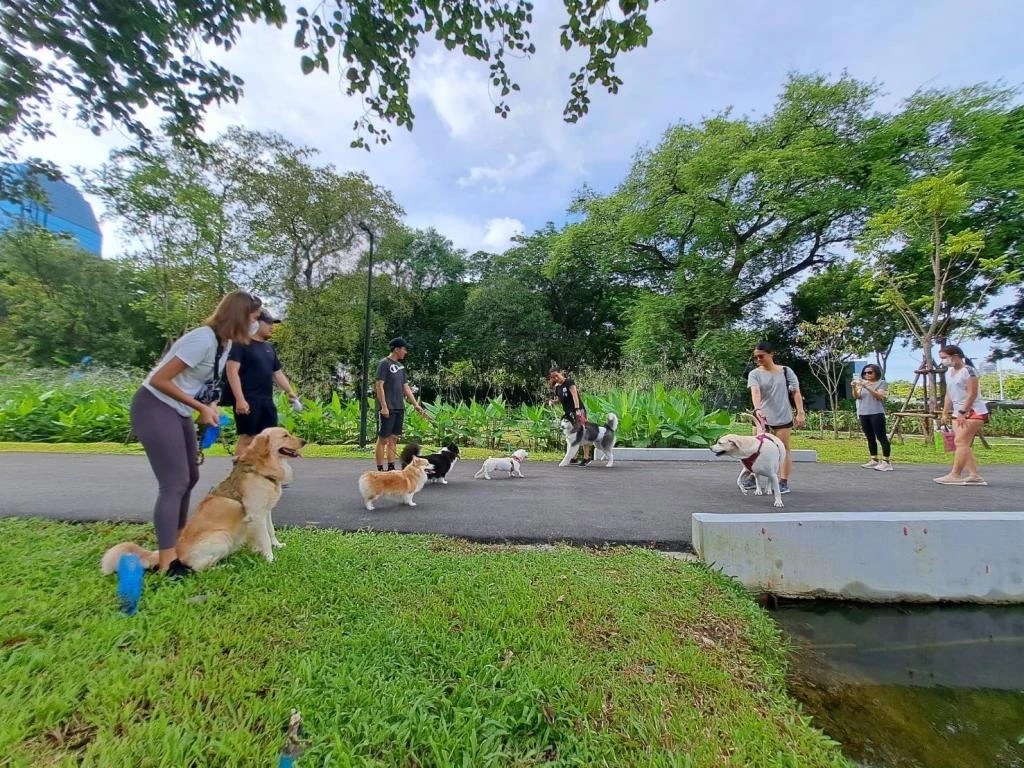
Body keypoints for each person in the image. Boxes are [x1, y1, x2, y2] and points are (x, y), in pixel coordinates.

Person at [130, 290, 263, 575]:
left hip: (179, 410)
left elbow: (205, 384)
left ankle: (178, 543)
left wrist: (210, 408)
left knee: (190, 476)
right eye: (253, 318)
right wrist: (198, 408)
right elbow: (160, 379)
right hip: (154, 405)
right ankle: (168, 563)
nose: (256, 324)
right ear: (238, 316)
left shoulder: (223, 343)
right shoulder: (202, 339)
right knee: (174, 482)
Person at [225, 308, 303, 458]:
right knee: (248, 438)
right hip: (248, 400)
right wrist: (240, 399)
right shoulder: (241, 344)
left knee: (270, 439)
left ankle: (268, 474)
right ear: (255, 322)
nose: (272, 326)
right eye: (268, 323)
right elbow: (232, 371)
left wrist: (289, 391)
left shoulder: (269, 348)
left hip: (266, 401)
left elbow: (277, 373)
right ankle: (239, 474)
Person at [746, 342, 805, 494]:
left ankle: (783, 481)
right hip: (762, 416)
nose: (758, 360)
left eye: (761, 356)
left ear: (771, 354)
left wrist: (800, 412)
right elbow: (756, 392)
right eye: (756, 358)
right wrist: (758, 409)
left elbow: (796, 392)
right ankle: (753, 477)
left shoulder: (786, 371)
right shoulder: (755, 374)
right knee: (756, 448)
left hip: (782, 415)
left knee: (783, 449)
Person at [934, 344, 989, 486]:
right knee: (962, 444)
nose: (943, 361)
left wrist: (963, 412)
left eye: (944, 358)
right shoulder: (949, 372)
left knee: (961, 443)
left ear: (955, 356)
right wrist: (945, 412)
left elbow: (972, 394)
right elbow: (949, 394)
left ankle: (956, 474)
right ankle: (974, 475)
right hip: (957, 412)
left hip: (973, 411)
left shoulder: (969, 371)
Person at [375, 337, 429, 471]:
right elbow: (379, 385)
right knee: (383, 439)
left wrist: (416, 405)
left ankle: (392, 468)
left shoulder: (401, 367)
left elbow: (406, 387)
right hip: (388, 408)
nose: (405, 352)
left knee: (393, 439)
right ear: (397, 349)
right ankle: (380, 469)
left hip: (399, 407)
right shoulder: (384, 363)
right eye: (404, 349)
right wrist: (384, 406)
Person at [852, 363, 893, 471]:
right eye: (865, 373)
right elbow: (857, 397)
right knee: (869, 437)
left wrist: (867, 387)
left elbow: (880, 397)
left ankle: (886, 462)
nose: (867, 375)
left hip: (876, 413)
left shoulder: (881, 383)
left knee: (881, 436)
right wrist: (854, 387)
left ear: (876, 372)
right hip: (863, 413)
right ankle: (874, 459)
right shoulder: (862, 384)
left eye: (869, 372)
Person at [547, 368, 591, 465]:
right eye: (553, 377)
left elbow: (575, 396)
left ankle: (586, 457)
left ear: (561, 373)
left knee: (583, 433)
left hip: (578, 411)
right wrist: (553, 402)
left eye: (556, 375)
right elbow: (559, 400)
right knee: (571, 434)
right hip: (568, 413)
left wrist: (577, 410)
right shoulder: (558, 387)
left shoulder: (569, 382)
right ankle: (573, 457)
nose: (555, 378)